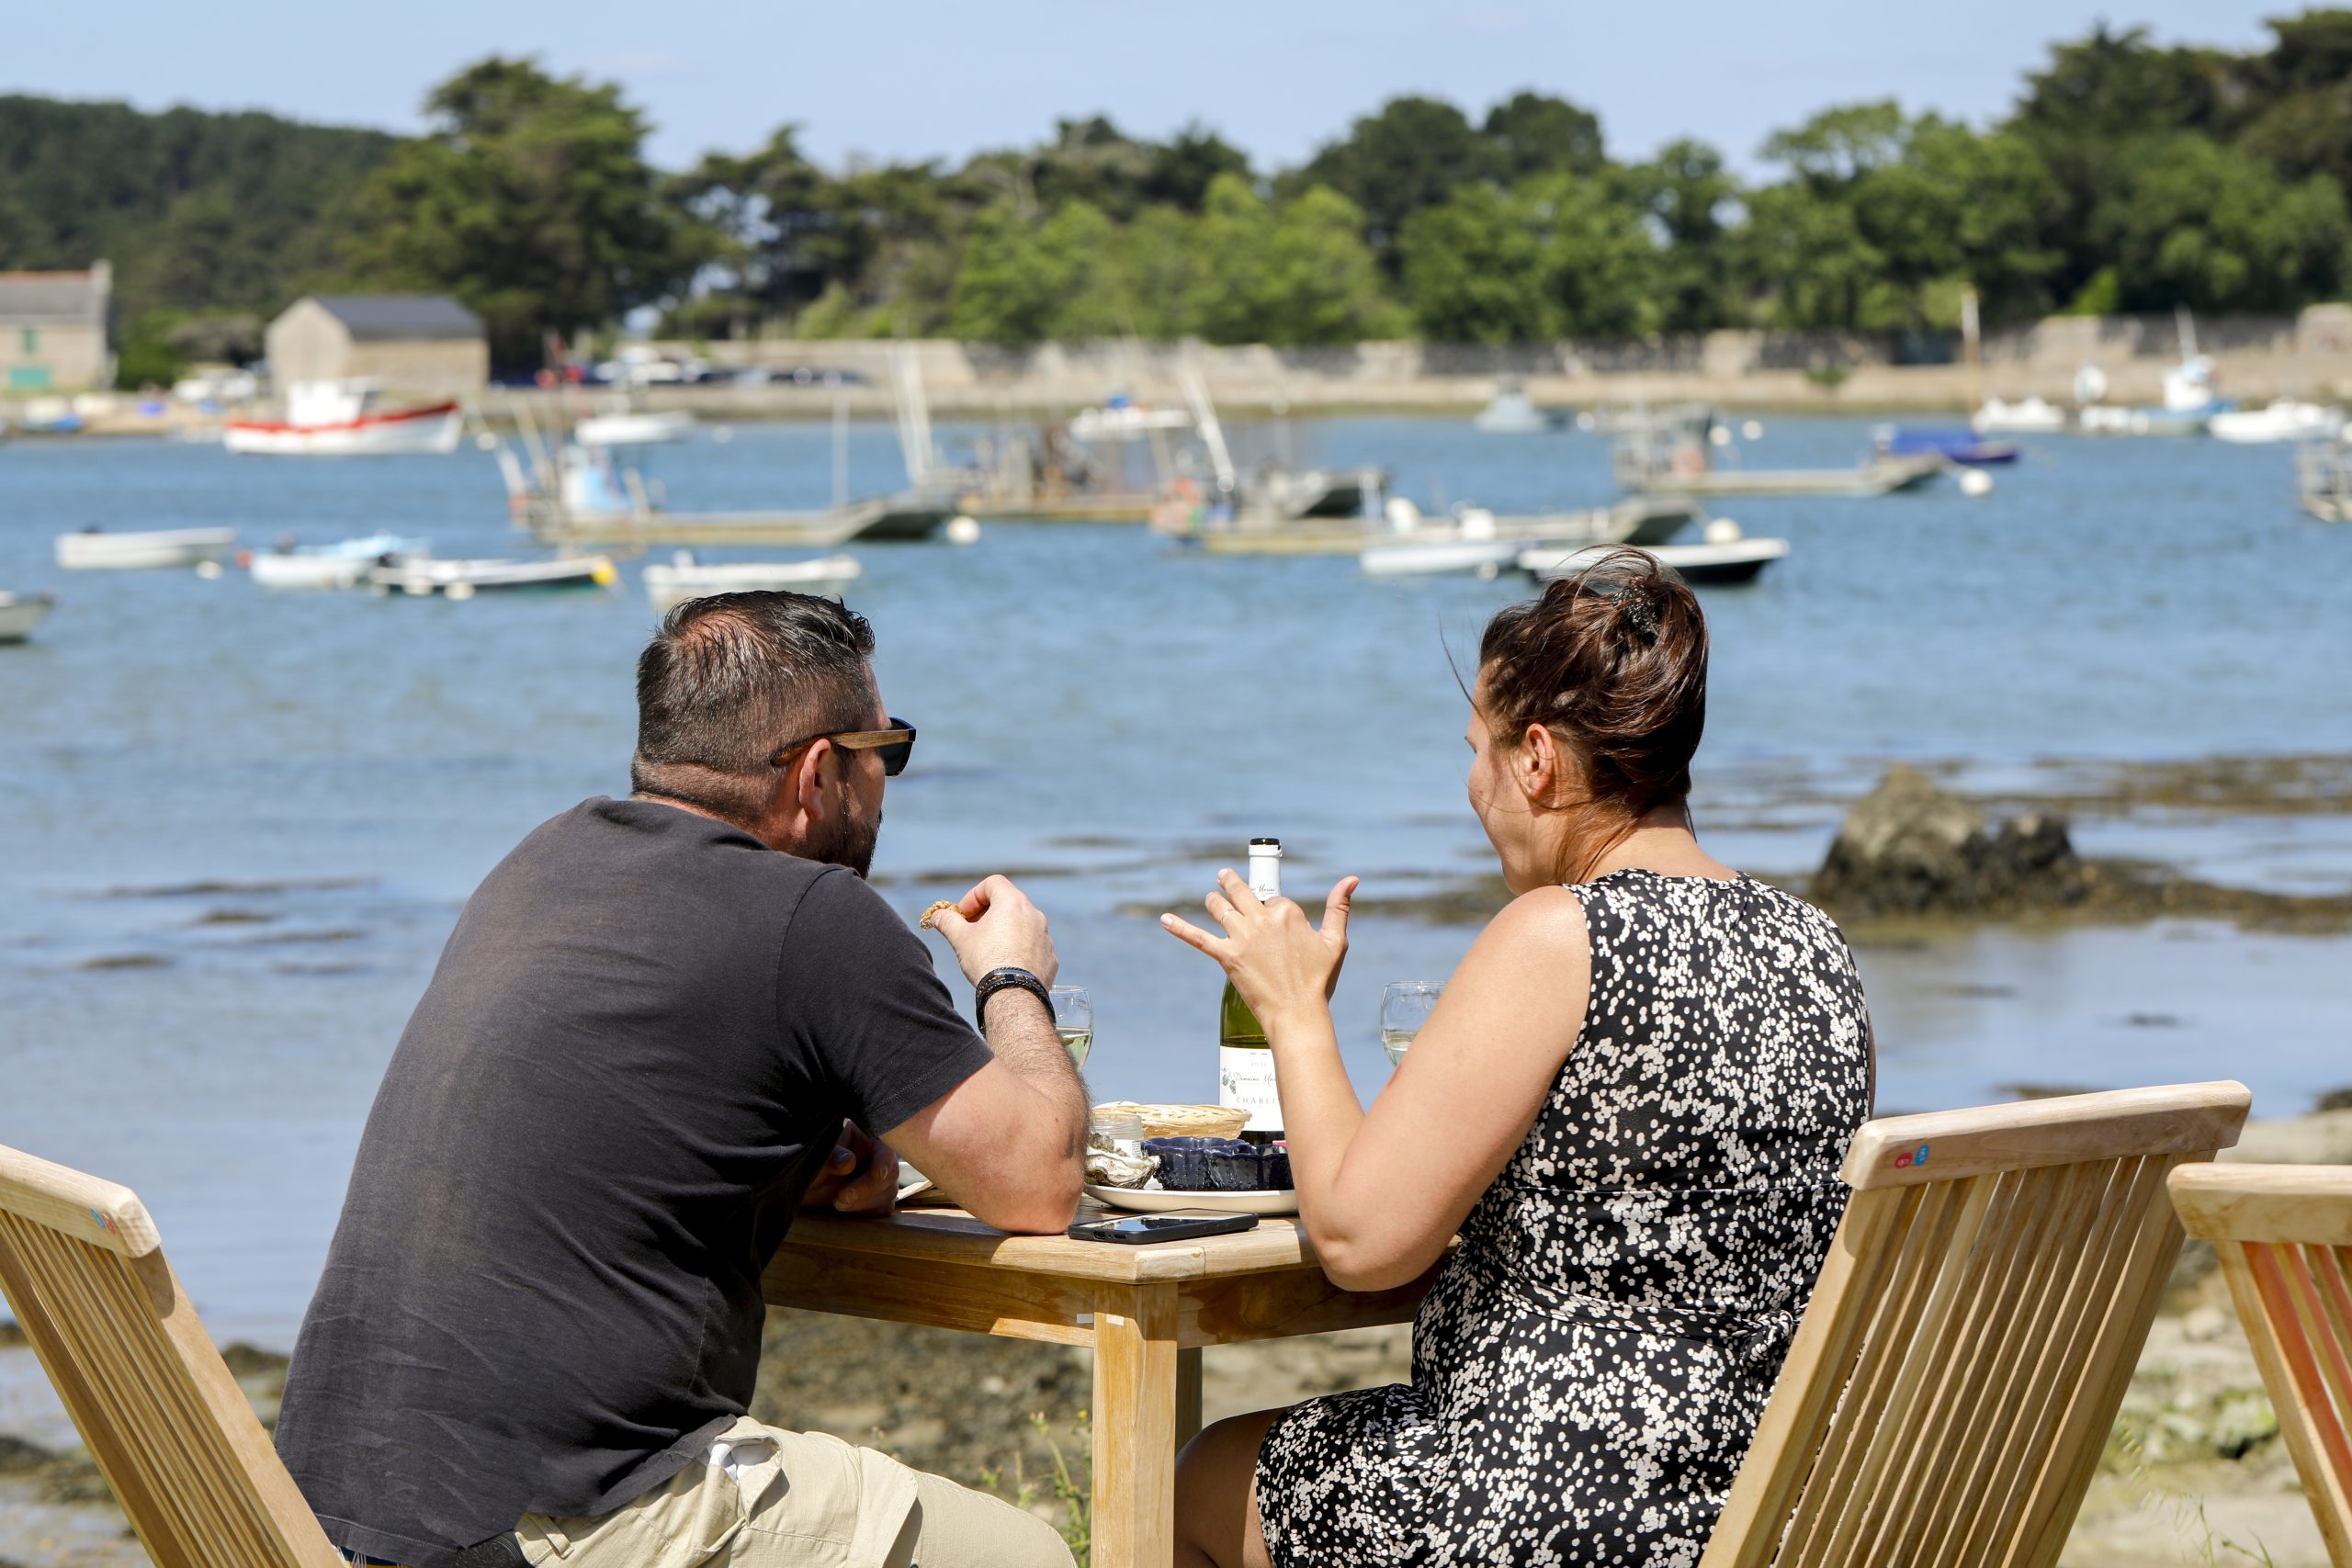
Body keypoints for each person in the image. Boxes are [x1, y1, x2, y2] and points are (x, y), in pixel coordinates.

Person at [276, 592, 1088, 1568]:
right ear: (818, 770)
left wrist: (828, 1150)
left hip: (331, 1510)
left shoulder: (543, 860)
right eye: (889, 749)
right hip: (558, 1517)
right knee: (1028, 1553)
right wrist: (1010, 980)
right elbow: (1040, 1185)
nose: (887, 782)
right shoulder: (813, 914)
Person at [1159, 550, 1874, 1568]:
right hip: (1756, 1502)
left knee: (1195, 1482)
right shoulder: (1818, 951)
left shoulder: (1559, 937)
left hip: (1554, 1512)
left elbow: (1363, 1242)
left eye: (1477, 752)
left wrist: (1293, 1011)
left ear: (1535, 760)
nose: (1470, 785)